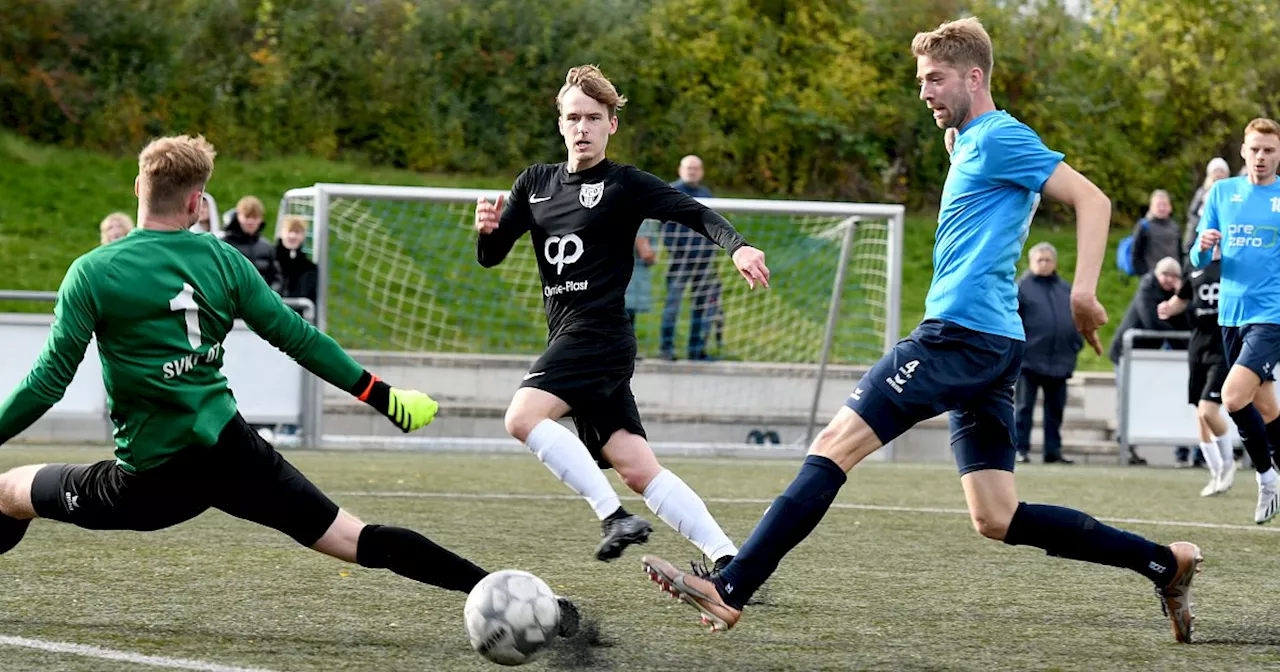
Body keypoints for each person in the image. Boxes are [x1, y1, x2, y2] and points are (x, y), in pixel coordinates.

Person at [639, 17, 1201, 644]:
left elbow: (1092, 201)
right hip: (993, 342)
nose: (925, 91)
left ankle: (732, 585)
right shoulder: (969, 142)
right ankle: (1164, 563)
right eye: (920, 81)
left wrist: (1084, 293)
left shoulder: (999, 136)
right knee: (996, 515)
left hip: (958, 336)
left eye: (935, 79)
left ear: (975, 76)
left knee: (836, 441)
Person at [0, 135, 579, 634]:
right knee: (362, 541)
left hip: (149, 482)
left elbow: (48, 383)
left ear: (137, 189)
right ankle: (533, 603)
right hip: (234, 455)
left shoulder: (93, 271)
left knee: (10, 492)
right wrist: (385, 398)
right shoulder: (224, 261)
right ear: (198, 203)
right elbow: (298, 337)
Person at [473, 65, 769, 568]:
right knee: (636, 466)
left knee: (521, 417)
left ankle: (614, 517)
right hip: (571, 334)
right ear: (561, 124)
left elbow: (692, 211)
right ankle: (730, 562)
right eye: (573, 117)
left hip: (600, 333)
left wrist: (738, 247)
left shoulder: (625, 184)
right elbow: (491, 255)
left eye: (593, 117)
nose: (582, 127)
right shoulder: (535, 184)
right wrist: (486, 229)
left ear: (612, 123)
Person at [1189, 117, 1280, 525]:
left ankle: (1265, 478)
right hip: (1231, 315)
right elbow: (1196, 258)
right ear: (1243, 152)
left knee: (1232, 397)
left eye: (1269, 150)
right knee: (1267, 408)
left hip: (1272, 315)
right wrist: (1204, 247)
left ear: (1278, 155)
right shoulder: (1223, 193)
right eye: (1255, 149)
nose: (1261, 157)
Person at [1157, 249, 1237, 496]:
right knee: (1199, 415)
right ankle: (1215, 474)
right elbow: (1182, 298)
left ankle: (1229, 463)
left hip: (1222, 344)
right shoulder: (1194, 265)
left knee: (1208, 409)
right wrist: (1168, 308)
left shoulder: (1234, 263)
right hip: (1198, 345)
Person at [1014, 242, 1083, 464]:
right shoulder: (1021, 288)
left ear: (1055, 263)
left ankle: (1053, 451)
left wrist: (1075, 344)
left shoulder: (1065, 289)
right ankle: (1020, 449)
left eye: (1048, 260)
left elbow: (1075, 319)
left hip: (1060, 359)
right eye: (1039, 260)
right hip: (1029, 360)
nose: (1044, 264)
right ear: (1031, 262)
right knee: (1023, 408)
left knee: (1055, 410)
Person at [659, 155, 722, 361]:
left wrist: (709, 253)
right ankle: (666, 348)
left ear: (701, 171)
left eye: (696, 168)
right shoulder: (671, 191)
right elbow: (665, 230)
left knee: (701, 307)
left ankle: (696, 349)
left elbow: (714, 227)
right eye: (689, 168)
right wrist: (679, 251)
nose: (692, 171)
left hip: (703, 263)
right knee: (672, 304)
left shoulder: (706, 195)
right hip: (680, 261)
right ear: (680, 169)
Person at [224, 195, 281, 291]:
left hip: (262, 301)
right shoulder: (224, 244)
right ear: (238, 217)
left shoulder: (267, 247)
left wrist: (270, 296)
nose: (250, 221)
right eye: (246, 217)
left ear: (261, 219)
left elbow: (276, 278)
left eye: (255, 217)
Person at [1131, 189, 1182, 277]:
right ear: (1151, 207)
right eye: (1158, 205)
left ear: (1170, 207)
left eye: (1165, 205)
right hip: (1152, 277)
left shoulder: (1175, 227)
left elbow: (1180, 253)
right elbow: (1136, 254)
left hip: (1174, 277)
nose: (1162, 208)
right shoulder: (1144, 226)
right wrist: (1145, 275)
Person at [1184, 158, 1231, 249]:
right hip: (1202, 232)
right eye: (1216, 171)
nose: (1219, 174)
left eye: (1221, 171)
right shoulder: (1202, 192)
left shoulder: (1232, 193)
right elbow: (1192, 213)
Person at [276, 215, 319, 306]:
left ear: (303, 236)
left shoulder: (309, 269)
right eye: (289, 231)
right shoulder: (270, 260)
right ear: (281, 232)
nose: (293, 236)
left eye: (297, 232)